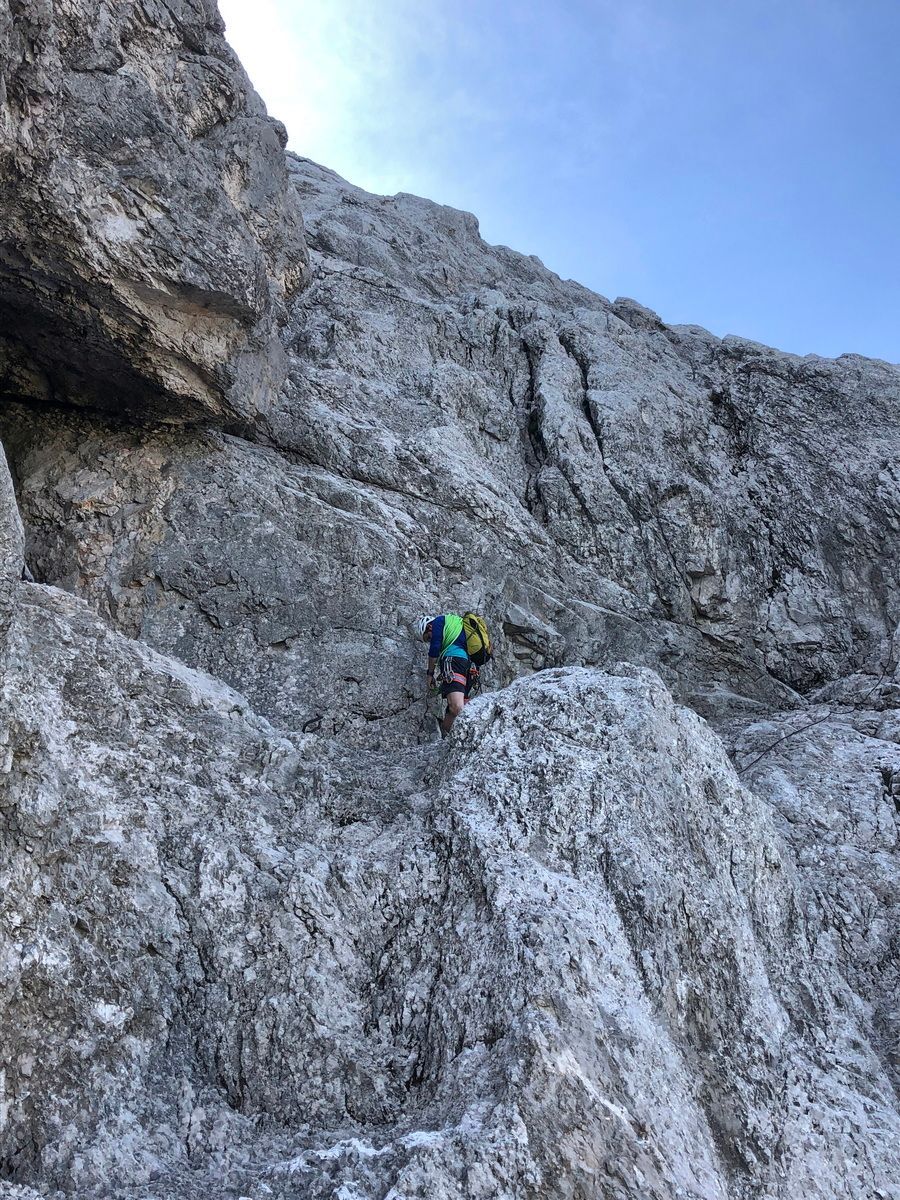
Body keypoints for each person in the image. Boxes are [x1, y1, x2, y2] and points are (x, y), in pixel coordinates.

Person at [418, 613, 478, 737]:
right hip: (467, 665)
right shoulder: (455, 622)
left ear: (429, 627)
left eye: (428, 638)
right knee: (457, 709)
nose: (430, 640)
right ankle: (448, 738)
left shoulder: (438, 622)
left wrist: (430, 674)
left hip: (453, 661)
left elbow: (434, 649)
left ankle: (466, 738)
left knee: (456, 706)